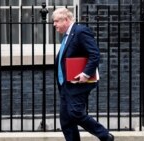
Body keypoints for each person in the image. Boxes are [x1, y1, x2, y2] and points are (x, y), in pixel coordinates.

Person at [52, 7, 114, 141]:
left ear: (66, 20)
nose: (54, 24)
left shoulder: (80, 31)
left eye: (57, 21)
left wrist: (86, 74)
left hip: (77, 83)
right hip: (65, 85)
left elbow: (94, 54)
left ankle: (105, 135)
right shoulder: (67, 36)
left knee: (75, 113)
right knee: (66, 121)